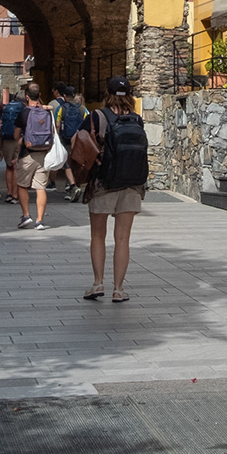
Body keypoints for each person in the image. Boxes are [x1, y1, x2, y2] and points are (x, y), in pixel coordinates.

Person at [82, 76, 148, 303]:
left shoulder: (97, 116)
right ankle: (118, 289)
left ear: (107, 93)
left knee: (98, 236)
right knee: (122, 239)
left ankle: (98, 283)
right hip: (132, 183)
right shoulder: (137, 120)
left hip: (103, 183)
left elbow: (79, 143)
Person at [14, 83, 56, 230]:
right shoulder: (47, 112)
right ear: (39, 96)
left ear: (27, 96)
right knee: (40, 188)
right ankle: (40, 220)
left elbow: (15, 134)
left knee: (22, 185)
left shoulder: (24, 112)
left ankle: (26, 216)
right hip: (44, 153)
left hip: (28, 154)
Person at [56, 85, 87, 201]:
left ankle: (72, 185)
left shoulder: (61, 108)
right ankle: (77, 185)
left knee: (67, 163)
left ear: (64, 96)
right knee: (78, 162)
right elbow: (88, 123)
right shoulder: (82, 109)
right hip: (79, 139)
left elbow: (58, 125)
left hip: (66, 139)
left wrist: (58, 138)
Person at [0, 87, 26, 205]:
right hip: (18, 139)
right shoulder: (24, 109)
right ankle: (15, 195)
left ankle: (9, 193)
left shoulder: (7, 107)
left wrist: (0, 144)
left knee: (9, 167)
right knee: (17, 167)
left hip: (6, 140)